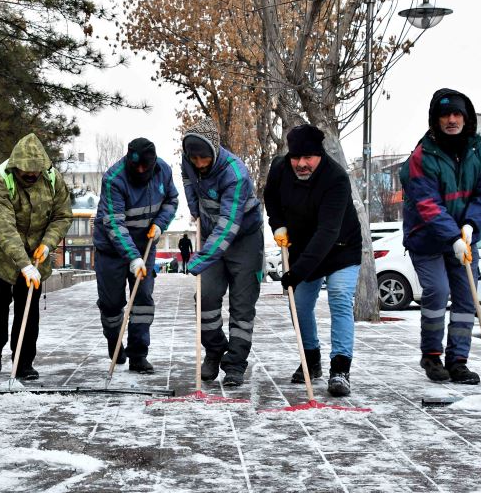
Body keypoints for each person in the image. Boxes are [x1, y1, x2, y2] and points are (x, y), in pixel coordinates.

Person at [400, 88, 481, 384]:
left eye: (457, 114)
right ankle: (431, 355)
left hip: (464, 238)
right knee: (438, 291)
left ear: (466, 119)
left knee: (467, 297)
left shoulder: (477, 151)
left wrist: (469, 226)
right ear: (436, 119)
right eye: (445, 115)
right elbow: (427, 204)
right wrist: (452, 236)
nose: (452, 120)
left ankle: (458, 360)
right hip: (428, 238)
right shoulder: (423, 155)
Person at [264, 124, 363, 397]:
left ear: (319, 154)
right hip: (303, 245)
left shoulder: (336, 179)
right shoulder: (280, 169)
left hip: (341, 247)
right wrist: (278, 225)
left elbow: (328, 232)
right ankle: (311, 359)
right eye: (296, 157)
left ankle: (340, 368)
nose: (301, 164)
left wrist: (296, 273)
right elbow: (270, 197)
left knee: (340, 298)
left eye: (308, 157)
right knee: (300, 304)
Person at [0, 133, 72, 379]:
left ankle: (23, 360)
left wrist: (48, 244)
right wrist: (23, 264)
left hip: (36, 251)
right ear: (15, 167)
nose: (31, 177)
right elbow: (4, 228)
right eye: (25, 174)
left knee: (28, 304)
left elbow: (62, 215)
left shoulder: (52, 178)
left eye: (35, 173)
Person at [181, 118, 263, 387]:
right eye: (195, 159)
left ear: (214, 151)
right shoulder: (189, 161)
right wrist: (194, 208)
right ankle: (215, 349)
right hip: (211, 234)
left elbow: (228, 225)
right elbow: (189, 182)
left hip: (243, 238)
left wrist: (202, 258)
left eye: (204, 159)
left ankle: (235, 364)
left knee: (242, 302)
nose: (199, 164)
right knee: (205, 296)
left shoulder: (235, 173)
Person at [92, 138, 178, 374]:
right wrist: (131, 256)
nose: (140, 171)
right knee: (112, 305)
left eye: (145, 167)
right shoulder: (113, 179)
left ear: (153, 164)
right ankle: (114, 338)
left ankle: (139, 354)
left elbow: (172, 200)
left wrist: (160, 224)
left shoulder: (163, 171)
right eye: (135, 166)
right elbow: (114, 225)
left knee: (142, 300)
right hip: (111, 249)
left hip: (145, 246)